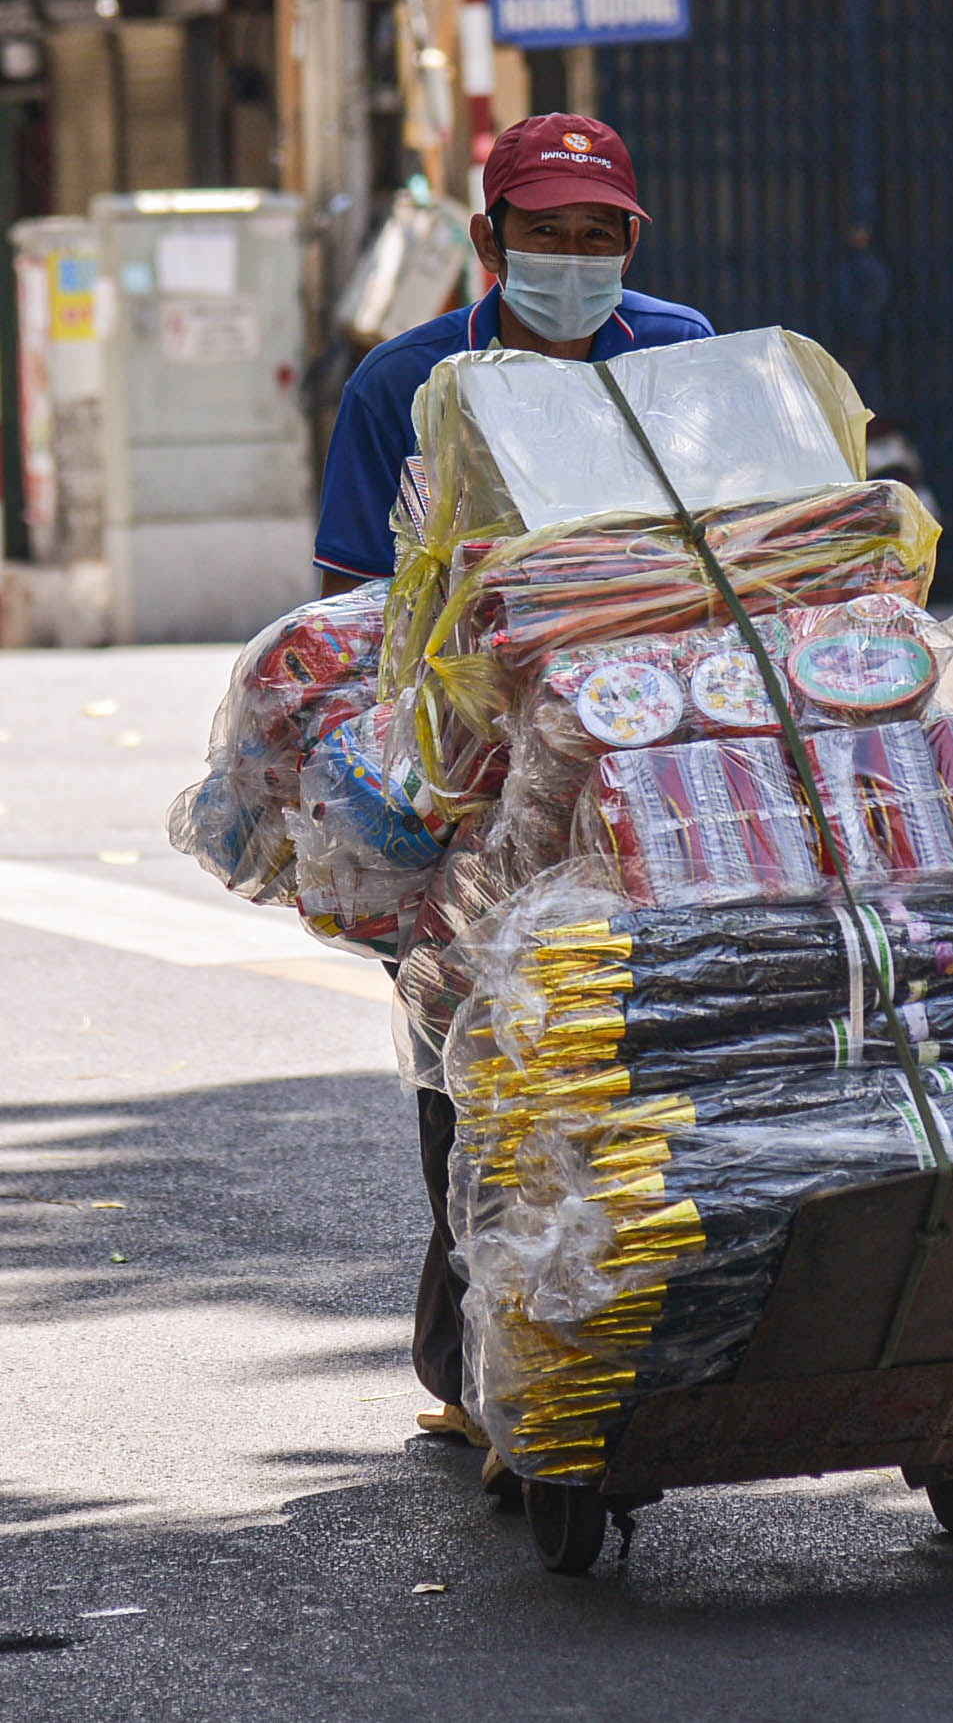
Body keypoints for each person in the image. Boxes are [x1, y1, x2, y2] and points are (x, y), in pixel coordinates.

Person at [312, 114, 714, 1450]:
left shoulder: (677, 349)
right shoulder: (406, 383)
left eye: (599, 236)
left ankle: (656, 1325)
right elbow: (352, 610)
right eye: (546, 234)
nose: (574, 258)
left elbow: (741, 540)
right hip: (477, 786)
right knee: (475, 1071)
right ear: (489, 240)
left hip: (656, 757)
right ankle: (479, 1365)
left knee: (648, 1049)